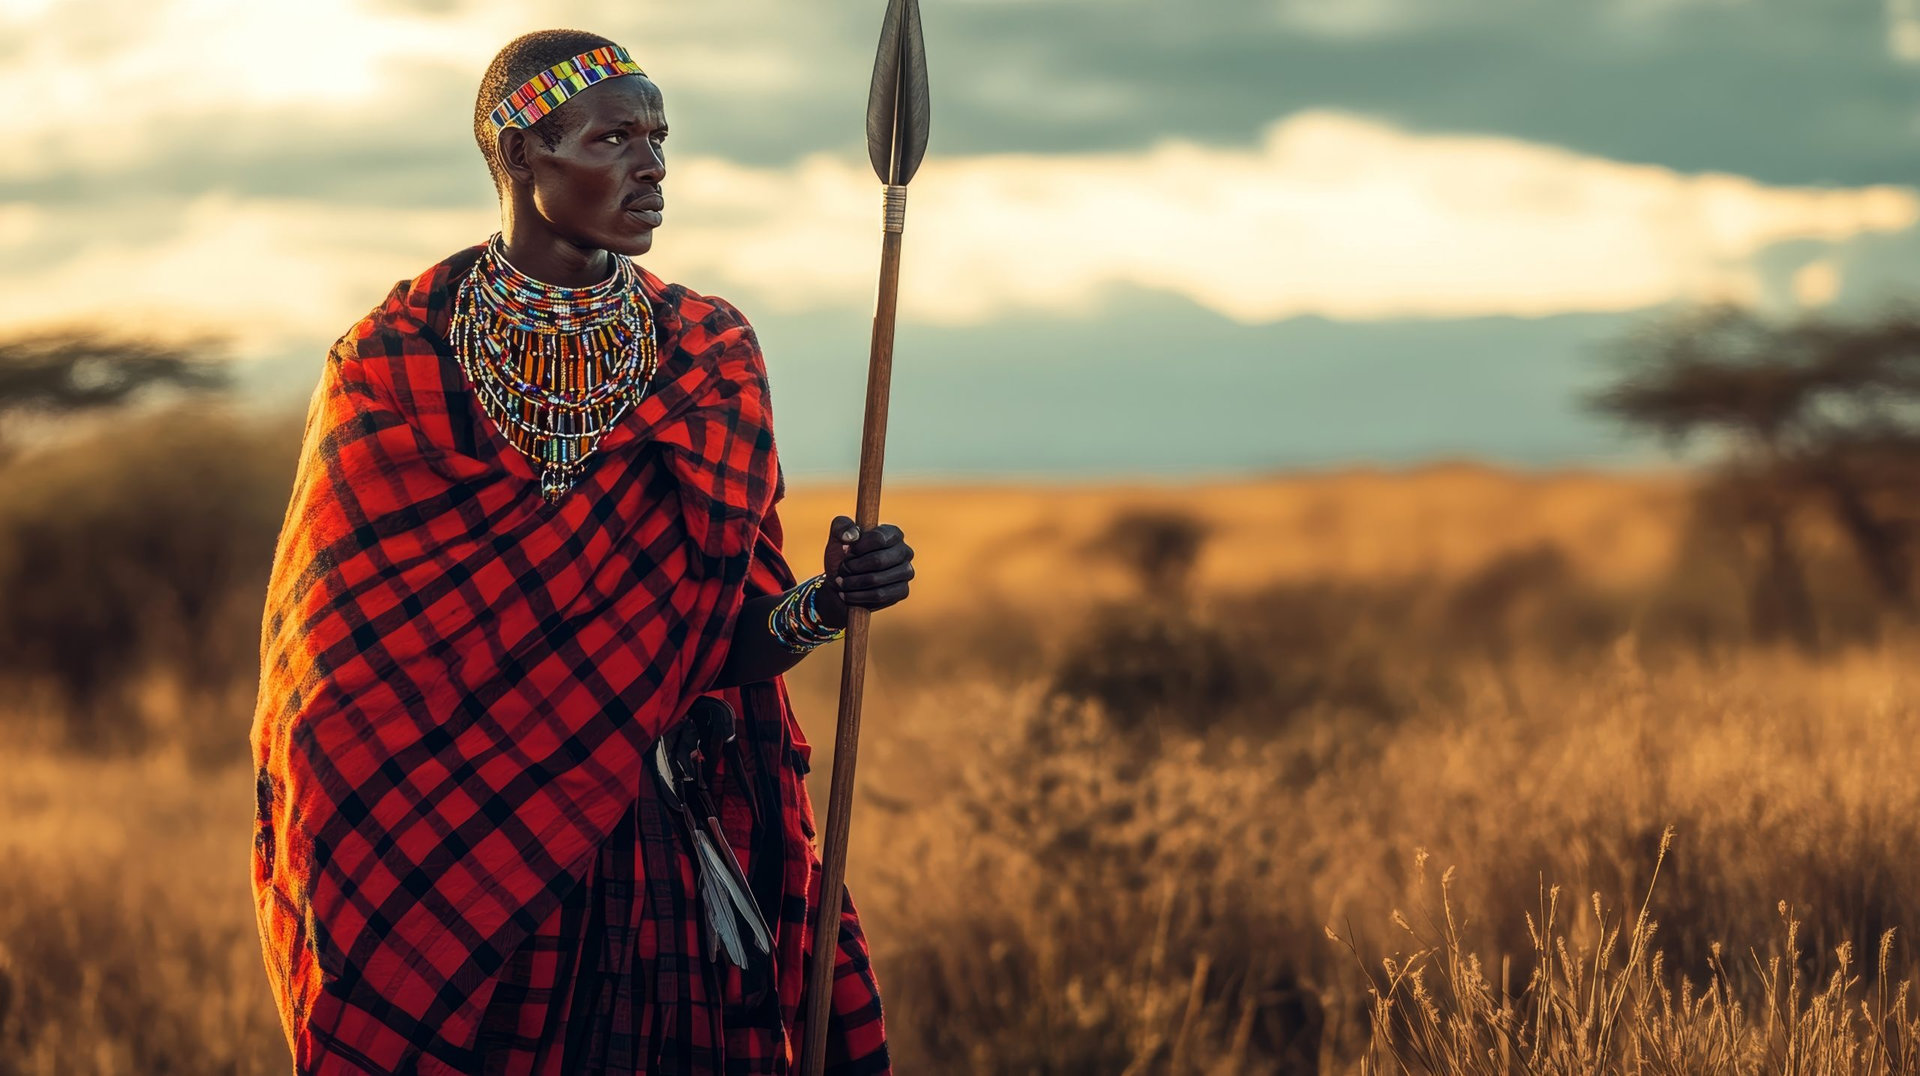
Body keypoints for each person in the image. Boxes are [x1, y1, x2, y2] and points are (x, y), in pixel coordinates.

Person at [249, 27, 912, 1075]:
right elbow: (340, 676)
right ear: (522, 156)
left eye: (660, 137)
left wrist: (826, 600)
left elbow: (716, 648)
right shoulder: (398, 359)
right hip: (468, 852)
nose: (652, 166)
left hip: (659, 847)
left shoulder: (706, 352)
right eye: (614, 138)